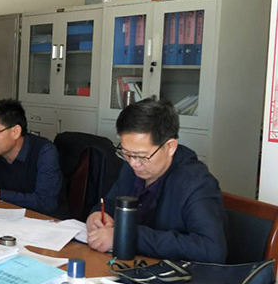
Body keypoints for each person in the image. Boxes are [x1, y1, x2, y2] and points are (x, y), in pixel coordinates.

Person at [85, 99, 226, 262]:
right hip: (131, 265)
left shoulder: (197, 183)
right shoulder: (131, 168)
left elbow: (211, 249)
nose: (133, 163)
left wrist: (128, 235)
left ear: (170, 147)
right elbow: (110, 202)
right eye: (126, 153)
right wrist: (97, 215)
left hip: (177, 274)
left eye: (142, 156)